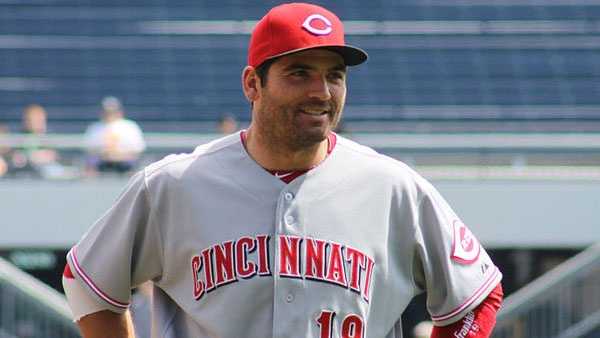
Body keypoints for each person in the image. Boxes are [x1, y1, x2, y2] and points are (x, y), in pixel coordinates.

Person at [62, 3, 503, 338]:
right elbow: (87, 281)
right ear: (253, 83)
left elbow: (477, 296)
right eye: (299, 73)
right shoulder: (174, 185)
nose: (322, 91)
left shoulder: (391, 185)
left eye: (335, 75)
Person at [83, 96, 145, 174]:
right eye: (107, 112)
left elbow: (137, 149)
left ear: (119, 111)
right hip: (101, 161)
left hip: (125, 161)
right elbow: (89, 149)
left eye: (113, 111)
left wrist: (118, 155)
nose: (109, 114)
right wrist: (105, 154)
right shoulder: (95, 128)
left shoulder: (130, 126)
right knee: (90, 166)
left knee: (133, 169)